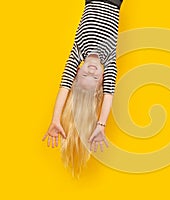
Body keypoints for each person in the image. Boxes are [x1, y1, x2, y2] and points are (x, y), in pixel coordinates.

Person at [42, 0, 124, 177]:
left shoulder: (77, 52)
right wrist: (101, 124)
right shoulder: (109, 61)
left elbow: (64, 87)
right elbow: (108, 96)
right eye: (94, 78)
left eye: (85, 75)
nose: (91, 71)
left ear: (76, 73)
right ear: (103, 79)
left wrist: (56, 119)